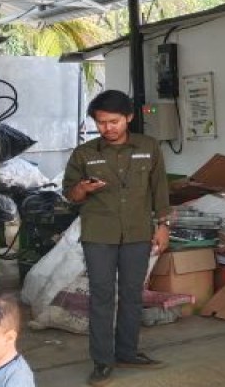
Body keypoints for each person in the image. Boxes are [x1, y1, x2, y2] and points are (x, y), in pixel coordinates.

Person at [62, 90, 170, 387]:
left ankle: (127, 352)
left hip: (138, 232)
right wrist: (83, 189)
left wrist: (163, 225)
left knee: (133, 295)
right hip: (99, 234)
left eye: (113, 121)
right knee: (102, 297)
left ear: (129, 118)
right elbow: (69, 194)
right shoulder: (85, 153)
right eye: (101, 122)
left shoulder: (149, 147)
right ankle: (102, 361)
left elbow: (160, 189)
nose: (107, 128)